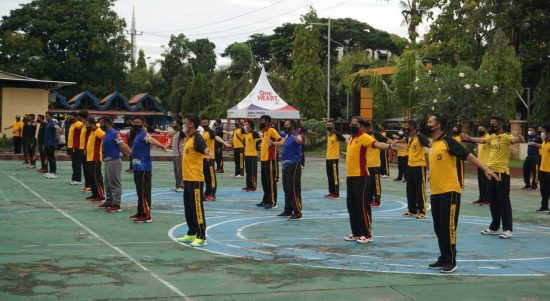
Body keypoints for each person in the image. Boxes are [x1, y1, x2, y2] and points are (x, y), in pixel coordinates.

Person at [425, 114, 498, 273]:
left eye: (430, 122)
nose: (427, 124)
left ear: (438, 125)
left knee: (448, 227)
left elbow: (468, 155)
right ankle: (444, 257)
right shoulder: (435, 143)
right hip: (436, 191)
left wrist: (485, 168)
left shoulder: (448, 141)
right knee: (438, 227)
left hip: (449, 191)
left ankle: (451, 260)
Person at [461, 116, 524, 239]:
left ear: (500, 124)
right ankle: (494, 227)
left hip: (501, 173)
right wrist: (469, 138)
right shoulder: (492, 137)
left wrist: (519, 139)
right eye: (491, 123)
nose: (491, 126)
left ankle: (507, 229)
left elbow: (514, 139)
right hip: (490, 172)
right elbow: (482, 140)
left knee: (503, 201)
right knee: (493, 201)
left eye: (494, 124)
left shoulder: (506, 137)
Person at [344, 116, 396, 243]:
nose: (351, 125)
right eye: (351, 123)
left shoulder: (364, 137)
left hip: (361, 177)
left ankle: (366, 234)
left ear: (361, 126)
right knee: (352, 206)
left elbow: (377, 144)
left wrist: (390, 147)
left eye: (354, 124)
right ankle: (356, 232)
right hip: (350, 176)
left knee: (362, 206)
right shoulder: (352, 138)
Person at [177, 114, 211, 247]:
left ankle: (201, 236)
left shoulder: (197, 137)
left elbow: (205, 148)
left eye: (185, 121)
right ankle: (192, 232)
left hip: (196, 179)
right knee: (189, 207)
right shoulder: (189, 138)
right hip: (188, 179)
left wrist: (208, 154)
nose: (183, 123)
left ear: (191, 124)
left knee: (197, 208)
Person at [128, 116, 167, 223]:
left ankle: (146, 215)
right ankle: (140, 212)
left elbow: (151, 139)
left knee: (144, 192)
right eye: (134, 122)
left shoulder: (143, 133)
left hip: (144, 168)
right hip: (137, 167)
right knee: (139, 192)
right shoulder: (136, 134)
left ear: (144, 124)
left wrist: (160, 146)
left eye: (138, 122)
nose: (135, 124)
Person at [98, 117, 132, 212]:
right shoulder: (107, 134)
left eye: (101, 123)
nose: (100, 126)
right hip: (107, 161)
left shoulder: (114, 133)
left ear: (107, 123)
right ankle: (109, 201)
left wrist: (131, 154)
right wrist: (124, 154)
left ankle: (116, 204)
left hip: (114, 161)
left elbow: (122, 145)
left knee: (114, 183)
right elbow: (117, 145)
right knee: (107, 182)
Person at [363, 120, 395, 207]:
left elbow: (386, 140)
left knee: (375, 183)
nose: (364, 129)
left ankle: (377, 200)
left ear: (370, 128)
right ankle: (369, 199)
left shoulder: (375, 135)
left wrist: (395, 144)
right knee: (367, 184)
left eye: (366, 128)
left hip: (374, 164)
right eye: (363, 128)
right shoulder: (363, 137)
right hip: (365, 165)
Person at [403, 120, 431, 219]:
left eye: (407, 127)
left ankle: (422, 210)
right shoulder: (410, 137)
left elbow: (429, 144)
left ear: (413, 127)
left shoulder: (420, 136)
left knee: (420, 189)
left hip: (419, 166)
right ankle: (412, 209)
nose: (405, 129)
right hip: (410, 166)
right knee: (410, 189)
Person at [257, 115, 285, 209]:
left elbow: (281, 141)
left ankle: (272, 201)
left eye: (263, 121)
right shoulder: (264, 132)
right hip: (263, 159)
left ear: (268, 122)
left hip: (270, 159)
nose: (261, 122)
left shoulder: (271, 130)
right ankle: (266, 200)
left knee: (271, 182)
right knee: (264, 182)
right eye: (260, 121)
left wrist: (273, 144)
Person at [277, 120, 304, 220]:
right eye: (284, 126)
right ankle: (288, 209)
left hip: (294, 164)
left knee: (294, 189)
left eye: (287, 125)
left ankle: (297, 212)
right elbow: (282, 143)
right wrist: (272, 143)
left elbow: (300, 140)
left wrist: (299, 140)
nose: (285, 127)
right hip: (286, 165)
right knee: (287, 188)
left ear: (292, 126)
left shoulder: (296, 134)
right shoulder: (287, 136)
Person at [200, 117, 231, 201]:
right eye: (202, 123)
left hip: (209, 158)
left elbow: (217, 137)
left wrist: (224, 142)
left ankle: (212, 194)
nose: (204, 125)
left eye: (205, 123)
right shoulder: (199, 133)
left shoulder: (211, 132)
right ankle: (206, 193)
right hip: (200, 159)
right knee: (203, 177)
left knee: (211, 177)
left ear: (209, 123)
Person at [84, 118, 105, 202]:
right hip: (89, 157)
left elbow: (106, 137)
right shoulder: (92, 131)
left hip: (95, 157)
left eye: (87, 124)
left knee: (96, 176)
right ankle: (94, 193)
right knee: (91, 177)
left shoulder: (99, 131)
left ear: (92, 124)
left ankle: (100, 194)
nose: (86, 126)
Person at [324, 119, 345, 199]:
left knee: (335, 176)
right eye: (327, 125)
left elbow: (346, 140)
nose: (328, 126)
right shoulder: (329, 134)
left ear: (334, 126)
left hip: (334, 159)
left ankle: (336, 193)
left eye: (330, 125)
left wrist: (346, 151)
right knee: (329, 176)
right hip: (328, 158)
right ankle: (331, 192)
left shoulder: (337, 134)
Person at [471, 124, 491, 206]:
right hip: (480, 164)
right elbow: (477, 152)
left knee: (487, 183)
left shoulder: (488, 137)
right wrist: (475, 150)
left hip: (487, 164)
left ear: (486, 129)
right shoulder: (481, 138)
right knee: (481, 182)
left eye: (481, 129)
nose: (479, 130)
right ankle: (481, 198)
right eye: (478, 129)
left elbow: (485, 142)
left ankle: (488, 199)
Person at [531, 124, 549, 212]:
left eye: (543, 131)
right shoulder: (545, 141)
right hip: (543, 169)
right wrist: (535, 144)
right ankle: (544, 206)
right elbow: (542, 147)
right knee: (543, 189)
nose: (542, 133)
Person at [66, 112, 84, 185]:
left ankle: (78, 179)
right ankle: (74, 178)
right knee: (74, 163)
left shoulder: (79, 124)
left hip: (77, 147)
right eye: (69, 116)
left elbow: (84, 128)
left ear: (76, 117)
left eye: (71, 116)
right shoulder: (72, 124)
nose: (69, 118)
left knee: (77, 163)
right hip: (72, 147)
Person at [522, 126, 543, 190]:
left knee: (535, 171)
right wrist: (522, 138)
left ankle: (534, 185)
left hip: (535, 156)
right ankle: (527, 184)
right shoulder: (530, 137)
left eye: (530, 130)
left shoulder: (538, 138)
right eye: (528, 130)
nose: (529, 131)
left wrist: (534, 144)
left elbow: (543, 146)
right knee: (525, 169)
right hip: (529, 156)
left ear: (534, 131)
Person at [44, 112, 61, 179]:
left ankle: (53, 173)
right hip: (47, 143)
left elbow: (56, 127)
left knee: (52, 158)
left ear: (51, 117)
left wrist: (60, 129)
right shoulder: (48, 124)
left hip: (51, 144)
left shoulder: (52, 123)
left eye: (47, 116)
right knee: (49, 158)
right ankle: (50, 172)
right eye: (45, 116)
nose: (46, 117)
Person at [243, 120, 260, 192]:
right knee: (248, 171)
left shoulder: (253, 133)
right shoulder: (247, 134)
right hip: (247, 155)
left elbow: (260, 136)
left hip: (253, 155)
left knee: (252, 171)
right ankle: (248, 185)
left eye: (246, 124)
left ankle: (253, 186)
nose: (245, 126)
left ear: (250, 126)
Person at [170, 118, 185, 192]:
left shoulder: (182, 132)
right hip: (175, 154)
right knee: (176, 171)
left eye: (174, 124)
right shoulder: (176, 132)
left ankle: (182, 186)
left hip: (180, 155)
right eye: (172, 124)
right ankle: (177, 185)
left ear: (179, 124)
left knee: (180, 171)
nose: (173, 125)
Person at [452, 125, 465, 189]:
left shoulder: (460, 137)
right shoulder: (452, 137)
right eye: (453, 130)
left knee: (460, 170)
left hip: (459, 157)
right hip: (453, 157)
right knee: (454, 170)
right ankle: (455, 183)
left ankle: (461, 184)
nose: (454, 131)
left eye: (456, 130)